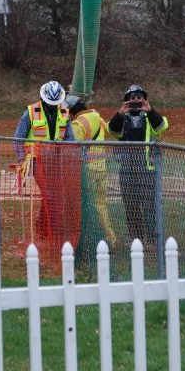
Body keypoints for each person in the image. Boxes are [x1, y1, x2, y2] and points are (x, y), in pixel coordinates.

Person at [13, 81, 75, 264]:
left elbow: (70, 138)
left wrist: (70, 153)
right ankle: (46, 231)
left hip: (56, 161)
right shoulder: (30, 112)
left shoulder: (64, 112)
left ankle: (46, 230)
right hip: (36, 160)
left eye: (56, 104)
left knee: (55, 197)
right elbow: (18, 138)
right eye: (50, 103)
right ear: (43, 99)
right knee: (49, 196)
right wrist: (20, 158)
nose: (53, 107)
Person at [107, 84, 169, 246]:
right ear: (127, 101)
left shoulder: (150, 118)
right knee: (131, 206)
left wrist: (151, 111)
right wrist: (120, 114)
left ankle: (153, 240)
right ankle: (137, 239)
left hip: (147, 168)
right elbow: (111, 130)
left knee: (149, 205)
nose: (136, 100)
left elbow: (162, 127)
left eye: (139, 97)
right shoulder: (123, 119)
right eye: (132, 98)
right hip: (127, 168)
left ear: (145, 100)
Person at [65, 94, 117, 257]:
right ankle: (111, 238)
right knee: (101, 204)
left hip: (87, 170)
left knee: (85, 206)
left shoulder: (78, 124)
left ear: (72, 110)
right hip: (101, 166)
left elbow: (72, 148)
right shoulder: (96, 116)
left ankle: (88, 239)